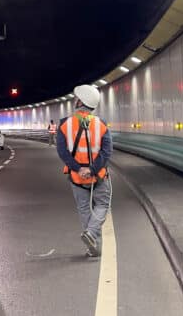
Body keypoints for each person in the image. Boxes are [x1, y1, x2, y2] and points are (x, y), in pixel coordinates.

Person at [55, 84, 112, 257]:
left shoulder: (65, 125)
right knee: (102, 204)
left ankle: (92, 245)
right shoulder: (101, 124)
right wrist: (93, 169)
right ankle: (92, 236)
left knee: (84, 209)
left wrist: (78, 169)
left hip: (76, 177)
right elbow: (106, 151)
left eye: (76, 98)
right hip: (99, 176)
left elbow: (62, 151)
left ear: (80, 101)